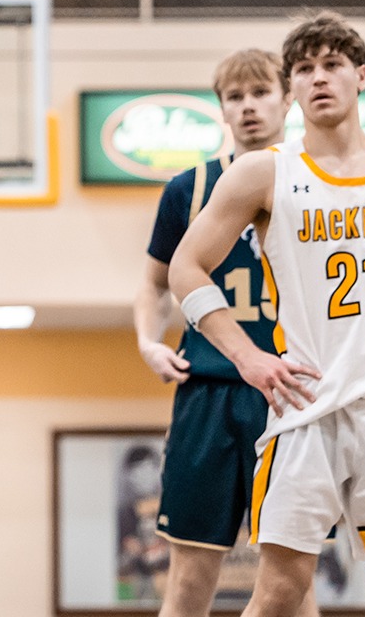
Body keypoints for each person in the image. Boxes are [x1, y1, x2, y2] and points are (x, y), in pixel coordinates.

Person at [168, 13, 365, 617]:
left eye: (333, 64)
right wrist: (248, 357)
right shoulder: (264, 172)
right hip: (303, 413)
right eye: (304, 68)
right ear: (290, 88)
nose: (319, 78)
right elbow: (184, 269)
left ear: (361, 74)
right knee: (279, 594)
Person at [135, 49, 319, 617]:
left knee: (294, 582)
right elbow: (155, 284)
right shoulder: (190, 189)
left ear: (286, 100)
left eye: (259, 93)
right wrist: (148, 340)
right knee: (190, 577)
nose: (247, 107)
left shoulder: (318, 185)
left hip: (292, 395)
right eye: (234, 98)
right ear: (221, 110)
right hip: (210, 390)